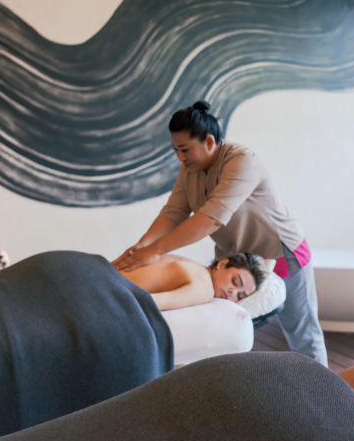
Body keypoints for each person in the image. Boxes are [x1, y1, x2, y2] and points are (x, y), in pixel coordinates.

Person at [114, 101, 327, 365]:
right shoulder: (189, 170)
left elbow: (210, 220)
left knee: (302, 332)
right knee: (229, 328)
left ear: (209, 141)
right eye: (176, 150)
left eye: (185, 149)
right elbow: (173, 212)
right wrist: (140, 248)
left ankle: (326, 389)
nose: (180, 157)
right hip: (236, 257)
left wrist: (154, 250)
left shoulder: (242, 161)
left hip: (280, 251)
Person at [120, 253, 266, 311]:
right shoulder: (204, 289)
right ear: (222, 264)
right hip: (113, 294)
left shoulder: (193, 266)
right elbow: (146, 304)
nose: (233, 292)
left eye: (240, 296)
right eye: (235, 281)